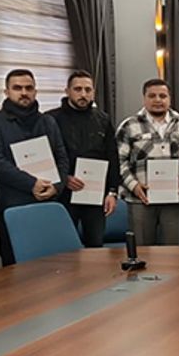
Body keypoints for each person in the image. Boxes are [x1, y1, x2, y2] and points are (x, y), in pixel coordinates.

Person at [0, 69, 70, 266]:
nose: (24, 93)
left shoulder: (48, 121)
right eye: (17, 88)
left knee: (51, 260)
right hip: (11, 203)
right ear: (6, 92)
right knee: (14, 264)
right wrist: (32, 183)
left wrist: (56, 186)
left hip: (47, 200)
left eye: (29, 88)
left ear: (35, 92)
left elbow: (62, 158)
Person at [115, 78, 179, 245]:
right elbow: (119, 161)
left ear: (170, 98)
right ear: (144, 98)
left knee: (174, 250)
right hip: (140, 199)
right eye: (152, 96)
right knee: (142, 249)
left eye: (162, 96)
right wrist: (134, 186)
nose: (158, 100)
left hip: (175, 199)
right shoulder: (128, 126)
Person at [46, 71, 119, 247]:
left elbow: (112, 156)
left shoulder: (103, 119)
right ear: (67, 91)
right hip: (63, 194)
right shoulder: (50, 119)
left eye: (88, 90)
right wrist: (63, 178)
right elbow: (46, 157)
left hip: (95, 195)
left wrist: (112, 192)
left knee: (96, 245)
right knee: (63, 246)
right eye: (78, 89)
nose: (83, 94)